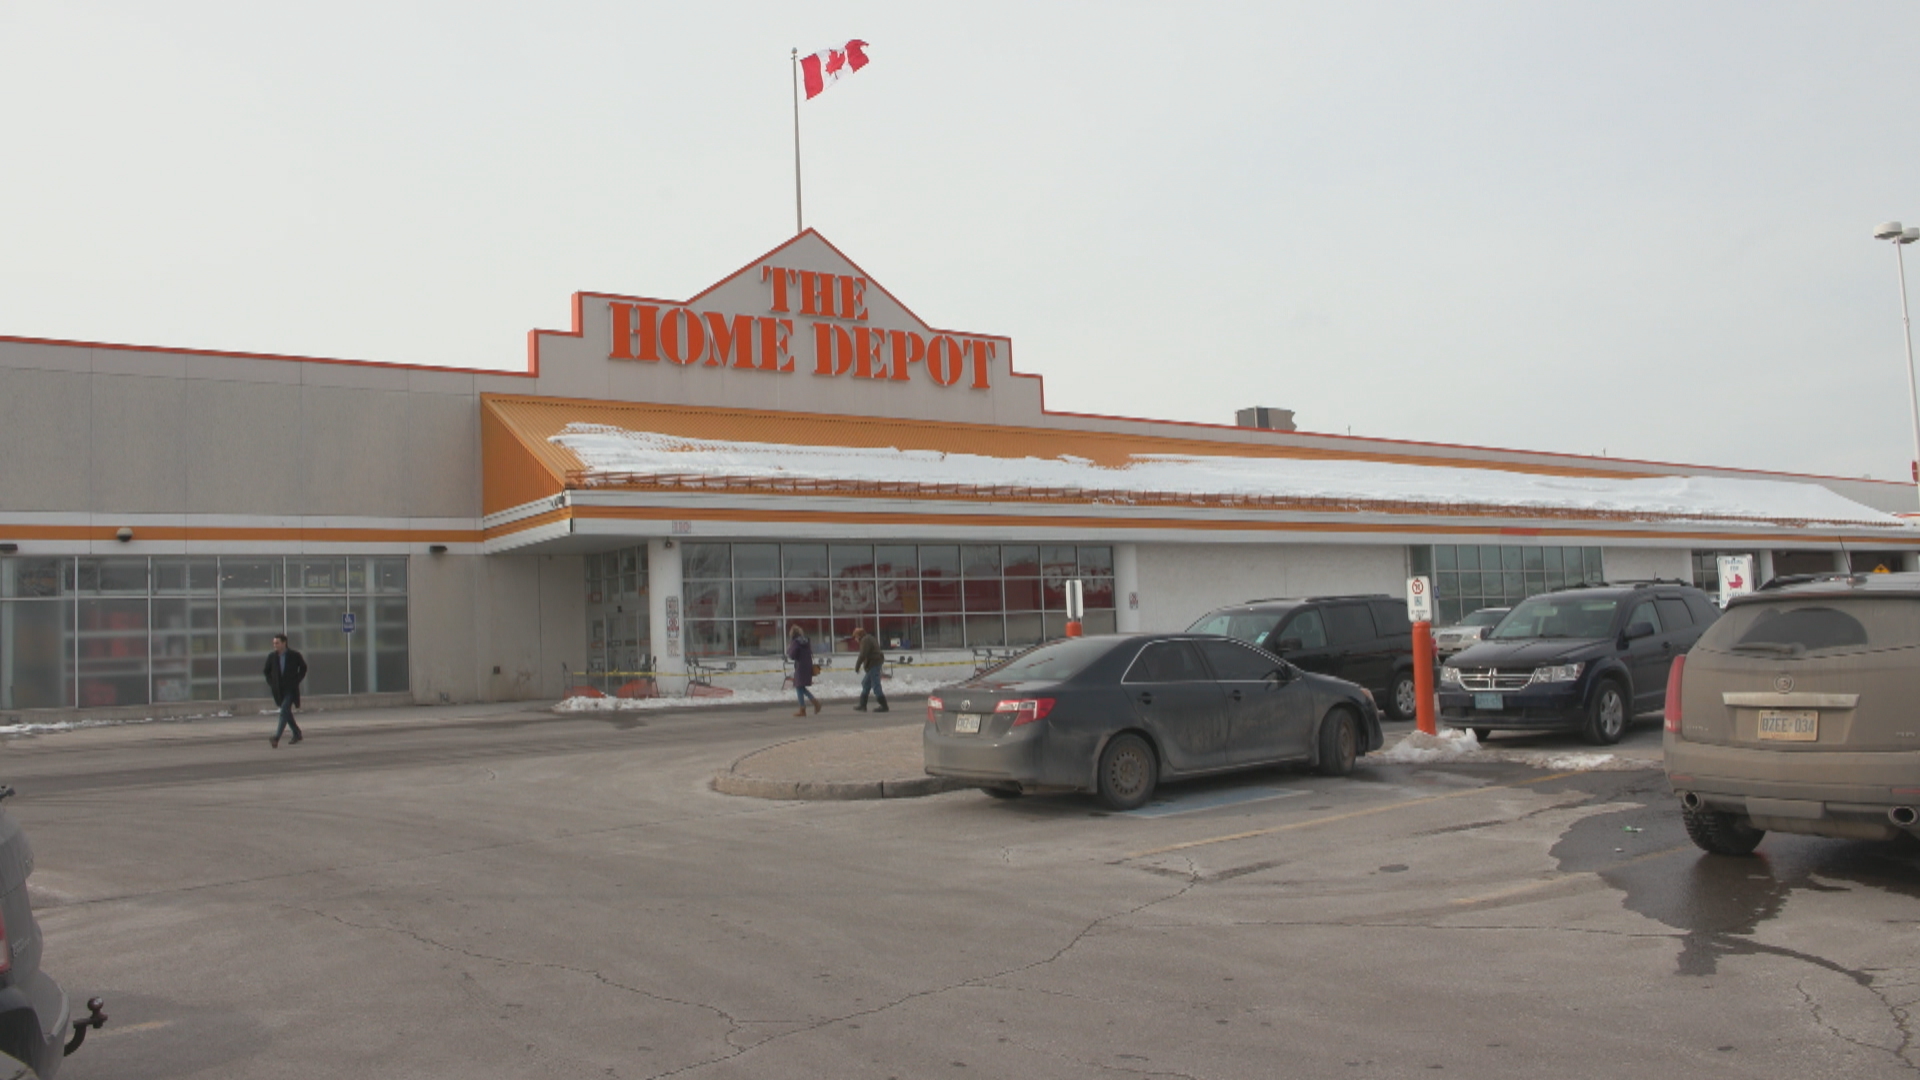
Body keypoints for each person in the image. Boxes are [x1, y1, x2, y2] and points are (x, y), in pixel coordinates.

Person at [263, 633, 307, 748]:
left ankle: (276, 737)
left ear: (284, 643)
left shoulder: (294, 655)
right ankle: (297, 733)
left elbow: (303, 668)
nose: (275, 645)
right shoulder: (272, 657)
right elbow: (266, 671)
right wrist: (272, 683)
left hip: (291, 689)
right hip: (279, 690)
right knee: (286, 712)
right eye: (274, 643)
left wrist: (297, 679)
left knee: (284, 711)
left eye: (277, 643)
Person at [787, 625, 821, 717]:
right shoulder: (806, 641)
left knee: (799, 686)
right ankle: (813, 704)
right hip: (807, 665)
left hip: (800, 666)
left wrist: (789, 649)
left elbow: (792, 655)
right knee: (800, 687)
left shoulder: (795, 642)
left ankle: (806, 708)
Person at [853, 627, 888, 712]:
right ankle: (862, 704)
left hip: (873, 664)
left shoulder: (865, 641)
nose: (855, 639)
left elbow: (863, 655)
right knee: (866, 683)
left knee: (876, 685)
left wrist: (857, 666)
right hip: (873, 664)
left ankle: (884, 706)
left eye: (855, 637)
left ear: (859, 635)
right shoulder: (869, 638)